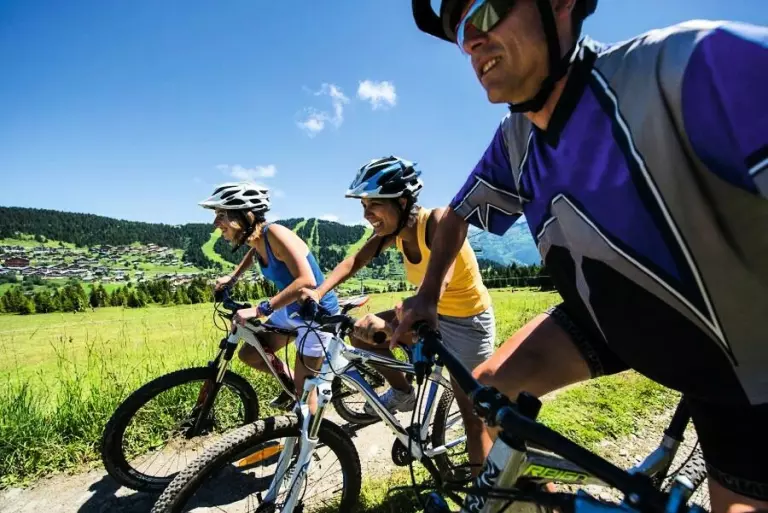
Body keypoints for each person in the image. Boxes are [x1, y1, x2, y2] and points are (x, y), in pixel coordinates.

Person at [397, 1, 768, 511]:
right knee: (492, 392)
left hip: (737, 354)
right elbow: (456, 217)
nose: (472, 41)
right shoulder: (514, 138)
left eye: (486, 9)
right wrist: (426, 297)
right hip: (609, 316)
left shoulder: (689, 66)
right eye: (461, 31)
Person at [301, 155, 496, 473]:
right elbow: (355, 260)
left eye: (373, 205)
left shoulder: (437, 223)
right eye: (363, 206)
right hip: (428, 312)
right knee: (360, 334)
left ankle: (484, 492)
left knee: (474, 421)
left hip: (467, 323)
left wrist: (416, 307)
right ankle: (404, 393)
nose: (366, 215)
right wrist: (318, 292)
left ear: (402, 202)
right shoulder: (393, 233)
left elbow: (442, 279)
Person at [200, 182, 340, 411]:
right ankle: (293, 383)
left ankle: (310, 424)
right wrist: (233, 278)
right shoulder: (257, 240)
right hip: (291, 310)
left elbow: (306, 281)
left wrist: (260, 309)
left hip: (316, 314)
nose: (216, 223)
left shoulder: (275, 233)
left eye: (221, 215)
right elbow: (254, 253)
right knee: (251, 354)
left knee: (305, 395)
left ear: (245, 215)